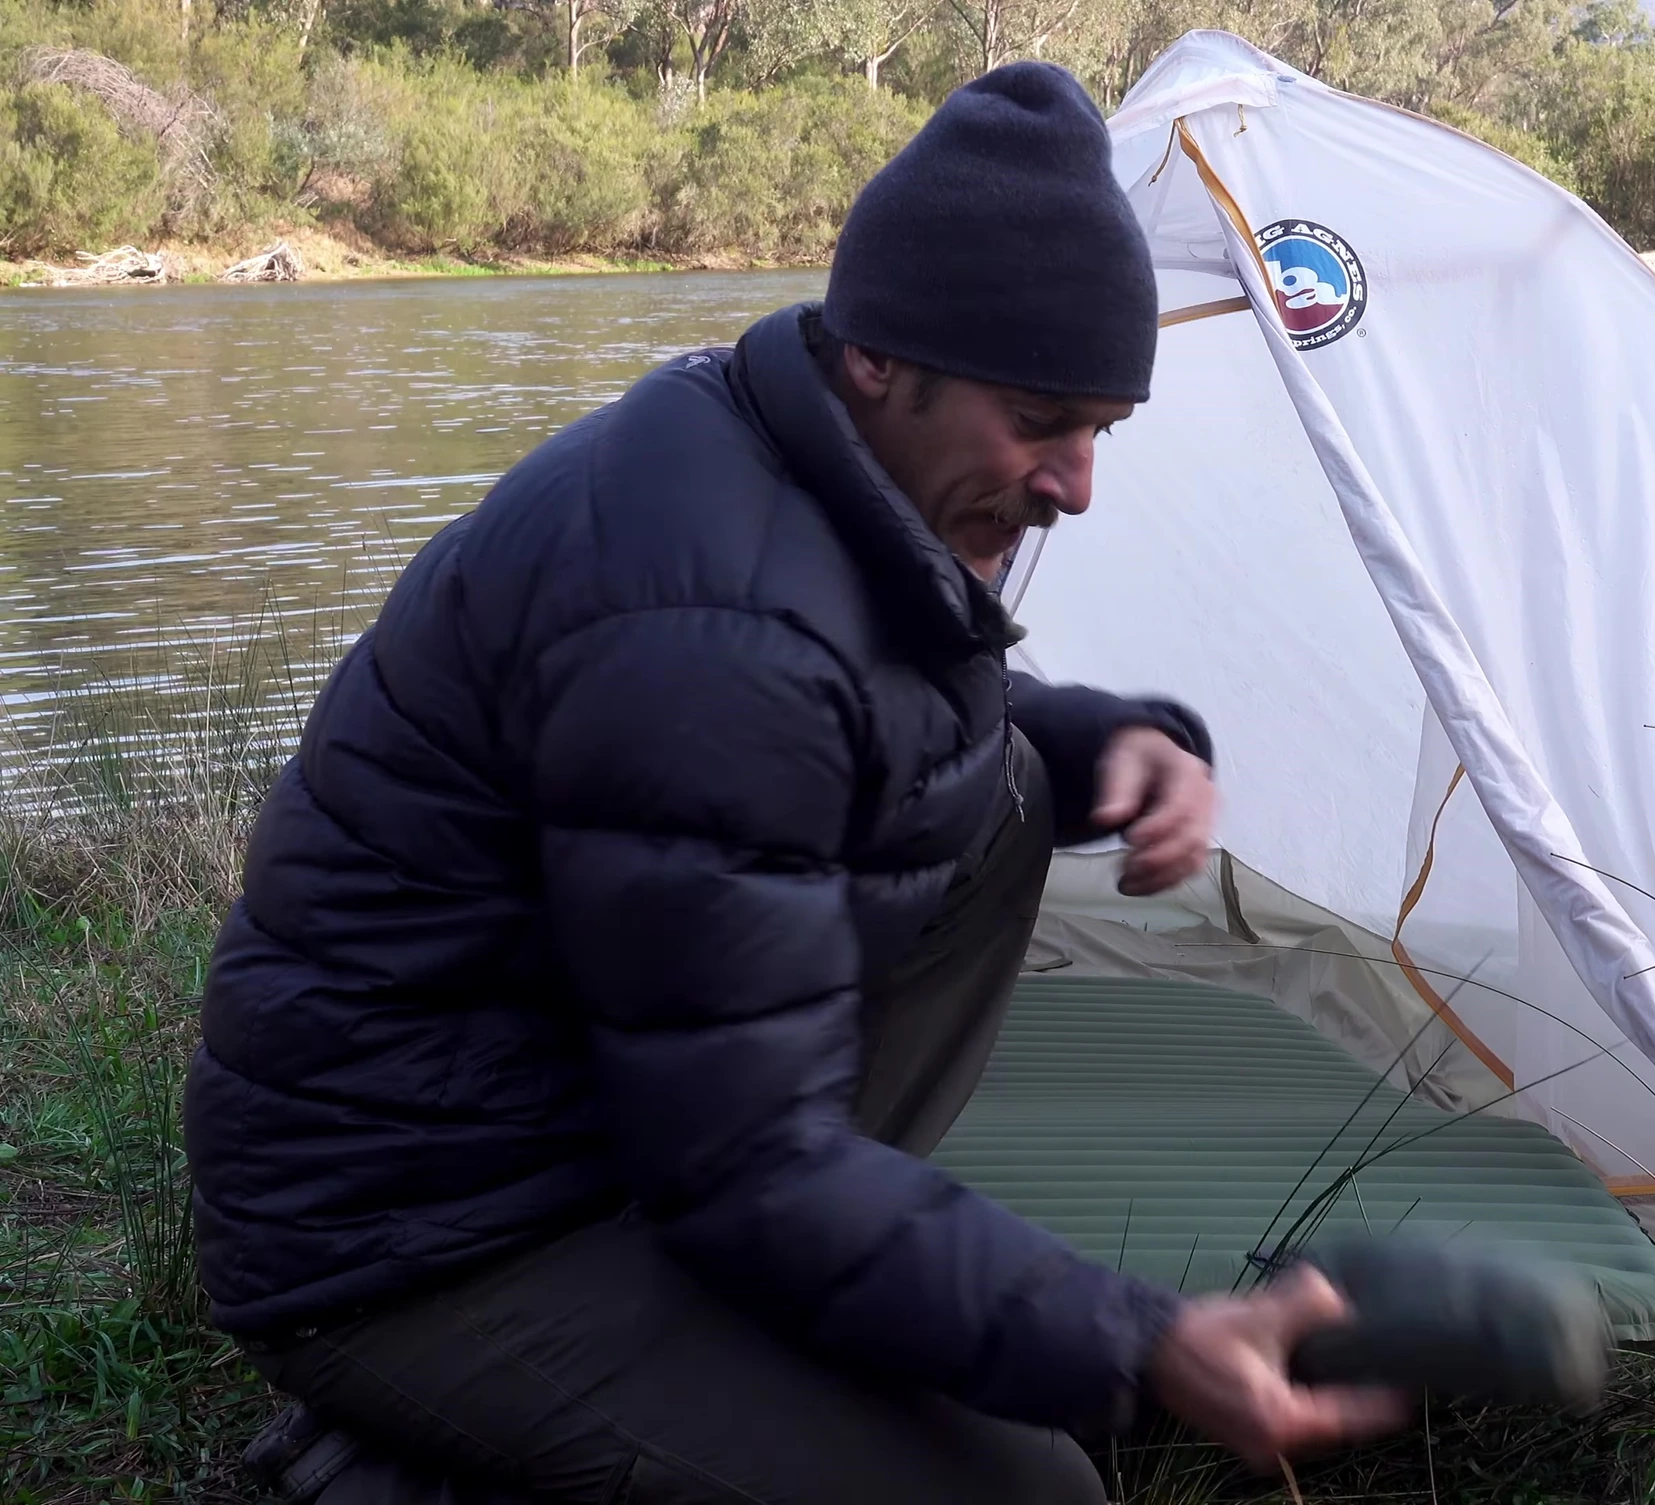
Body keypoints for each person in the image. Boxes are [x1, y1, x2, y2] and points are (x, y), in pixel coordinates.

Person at [186, 62, 1404, 1504]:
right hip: (408, 1234)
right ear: (884, 359)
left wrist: (1103, 744)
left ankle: (692, 1344)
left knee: (1004, 786)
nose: (1077, 482)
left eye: (1101, 431)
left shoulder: (805, 457)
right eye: (1040, 421)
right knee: (1034, 1496)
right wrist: (1143, 1341)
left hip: (591, 1131)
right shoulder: (706, 633)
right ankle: (389, 1454)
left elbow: (887, 715)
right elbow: (740, 1160)